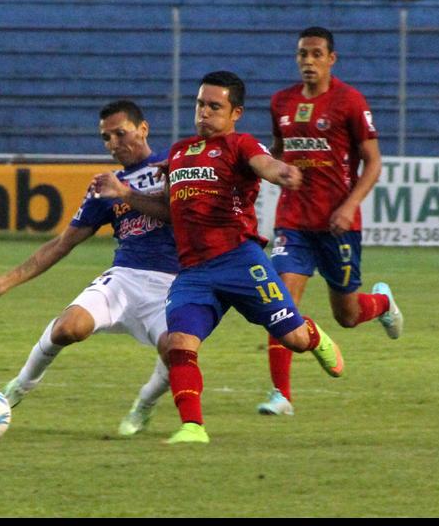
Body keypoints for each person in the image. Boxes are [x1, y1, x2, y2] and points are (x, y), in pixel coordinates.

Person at [93, 71, 345, 444]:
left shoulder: (241, 144)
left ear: (235, 113)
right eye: (200, 104)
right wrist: (126, 194)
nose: (204, 112)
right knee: (179, 343)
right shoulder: (179, 152)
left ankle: (312, 334)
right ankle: (192, 427)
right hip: (193, 271)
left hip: (240, 261)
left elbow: (265, 164)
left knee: (292, 338)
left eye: (214, 106)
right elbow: (167, 208)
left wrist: (282, 172)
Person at [0, 100, 179, 437]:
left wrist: (125, 193)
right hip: (124, 278)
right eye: (106, 138)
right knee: (68, 328)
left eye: (120, 133)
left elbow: (175, 213)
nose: (113, 144)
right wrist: (5, 282)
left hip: (174, 283)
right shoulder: (105, 187)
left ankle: (144, 404)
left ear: (143, 129)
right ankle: (19, 386)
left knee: (176, 350)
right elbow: (62, 243)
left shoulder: (174, 164)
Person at [256, 27, 404, 416]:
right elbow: (277, 152)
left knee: (347, 315)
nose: (308, 61)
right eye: (302, 54)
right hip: (292, 222)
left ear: (331, 59)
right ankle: (281, 395)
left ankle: (383, 303)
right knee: (280, 304)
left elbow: (373, 162)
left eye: (316, 54)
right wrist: (274, 172)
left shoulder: (349, 101)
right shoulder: (281, 102)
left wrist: (349, 206)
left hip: (338, 225)